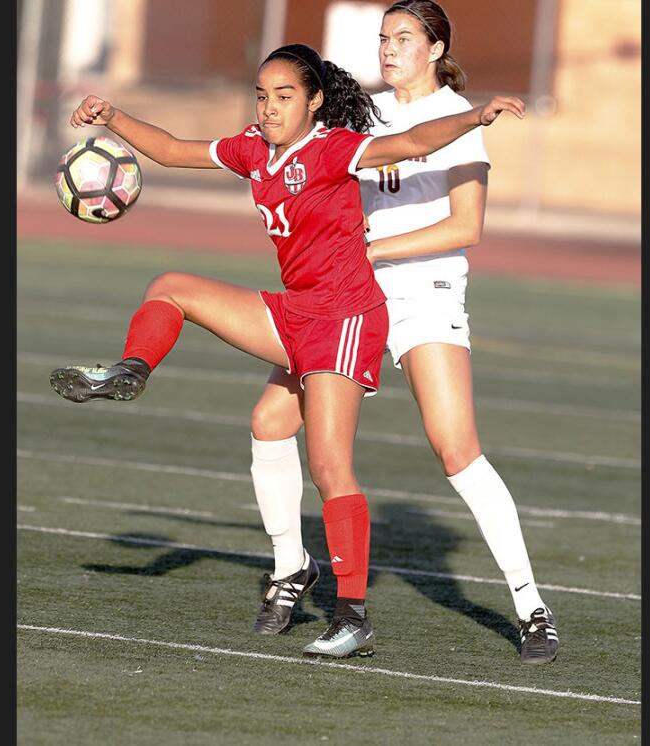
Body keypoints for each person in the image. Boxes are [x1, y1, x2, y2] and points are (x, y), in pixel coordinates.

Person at [50, 42, 525, 658]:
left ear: (315, 101)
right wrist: (112, 117)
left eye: (284, 97)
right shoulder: (255, 148)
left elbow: (410, 144)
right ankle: (131, 369)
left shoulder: (331, 149)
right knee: (173, 291)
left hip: (346, 318)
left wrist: (475, 116)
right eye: (262, 95)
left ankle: (352, 615)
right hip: (295, 312)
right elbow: (172, 150)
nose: (270, 108)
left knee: (330, 467)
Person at [245, 0, 559, 664]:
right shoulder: (361, 112)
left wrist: (374, 250)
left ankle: (532, 607)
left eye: (405, 38)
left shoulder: (456, 122)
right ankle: (290, 568)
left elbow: (465, 227)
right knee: (272, 421)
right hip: (347, 297)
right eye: (384, 37)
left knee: (456, 450)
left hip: (423, 293)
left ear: (437, 48)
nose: (389, 49)